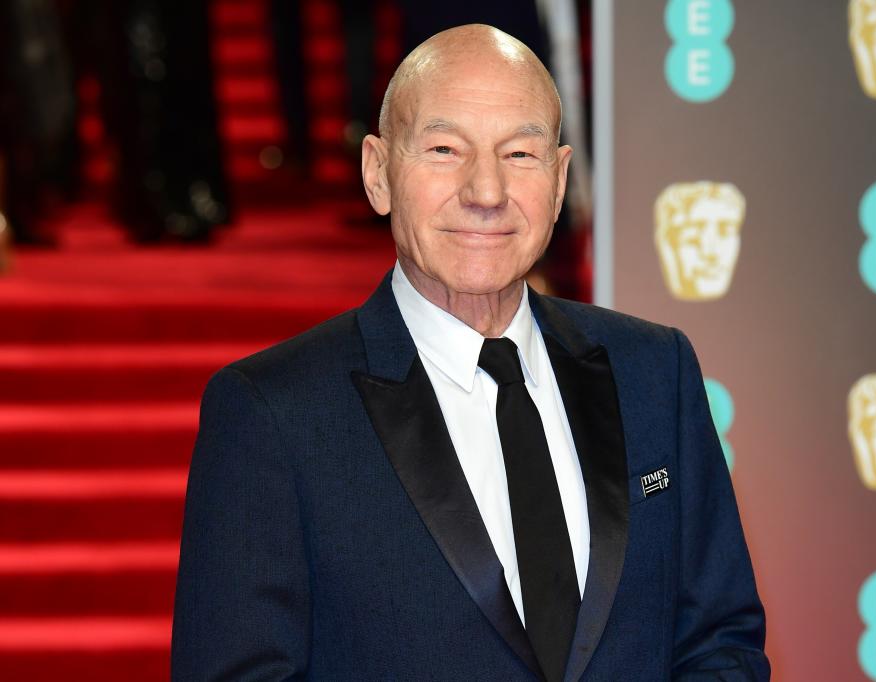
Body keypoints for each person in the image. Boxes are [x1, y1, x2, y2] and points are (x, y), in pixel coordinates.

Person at [172, 24, 769, 681]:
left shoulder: (656, 370)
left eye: (519, 154)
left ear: (560, 178)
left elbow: (720, 640)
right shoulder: (273, 414)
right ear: (378, 173)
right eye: (445, 148)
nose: (486, 192)